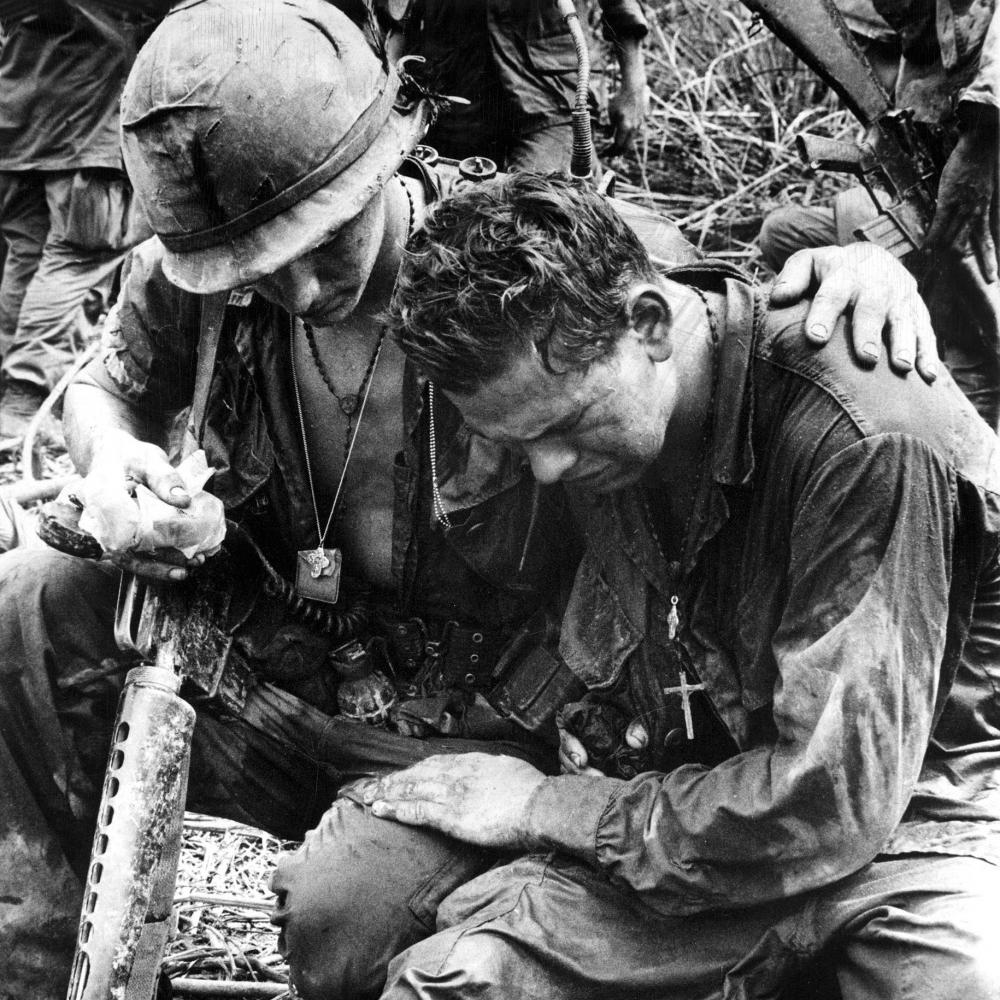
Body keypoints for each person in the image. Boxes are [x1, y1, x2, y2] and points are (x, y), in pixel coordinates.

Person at [0, 2, 940, 997]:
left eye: (328, 242)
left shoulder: (519, 267)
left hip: (471, 731)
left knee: (340, 928)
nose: (308, 291)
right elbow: (104, 385)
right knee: (25, 602)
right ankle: (35, 967)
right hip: (258, 671)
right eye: (261, 273)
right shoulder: (197, 272)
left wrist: (866, 274)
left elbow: (712, 336)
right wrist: (114, 462)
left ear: (388, 162)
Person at [372, 171, 1000, 1000]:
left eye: (562, 427)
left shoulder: (862, 433)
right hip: (703, 833)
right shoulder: (598, 396)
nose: (548, 470)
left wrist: (542, 807)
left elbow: (832, 801)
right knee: (448, 984)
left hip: (915, 839)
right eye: (520, 443)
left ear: (649, 324)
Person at [759, 0, 999, 428]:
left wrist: (980, 140)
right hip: (922, 191)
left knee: (970, 345)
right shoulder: (903, 32)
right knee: (780, 233)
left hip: (975, 196)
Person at [0, 1, 159, 441]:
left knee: (27, 261)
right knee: (79, 258)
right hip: (84, 134)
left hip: (18, 129)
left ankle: (11, 399)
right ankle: (24, 395)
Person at [391, 0, 649, 170]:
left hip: (548, 93)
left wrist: (633, 84)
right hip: (449, 96)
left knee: (538, 212)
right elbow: (392, 16)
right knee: (433, 215)